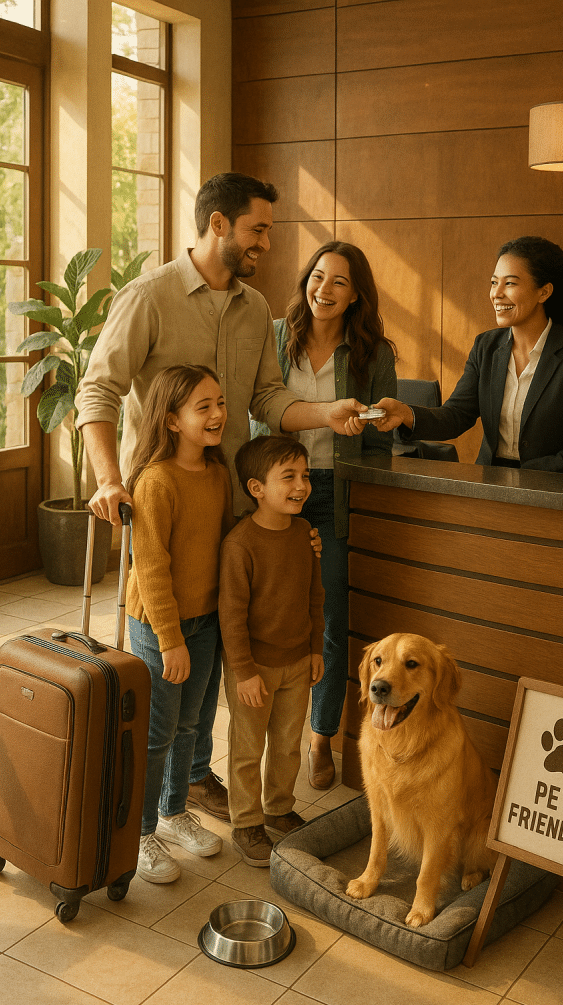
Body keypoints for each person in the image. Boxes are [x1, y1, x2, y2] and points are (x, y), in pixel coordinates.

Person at [76, 172, 366, 822]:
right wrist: (108, 479)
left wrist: (327, 414)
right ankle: (144, 812)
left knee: (210, 651)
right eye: (257, 229)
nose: (266, 242)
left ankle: (189, 780)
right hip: (165, 509)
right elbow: (97, 389)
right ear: (217, 225)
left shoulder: (254, 307)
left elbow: (267, 398)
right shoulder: (148, 296)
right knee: (165, 652)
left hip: (230, 505)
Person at [252, 241, 397, 789]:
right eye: (317, 276)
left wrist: (366, 433)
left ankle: (320, 738)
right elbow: (256, 408)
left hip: (334, 492)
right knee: (269, 611)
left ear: (356, 294)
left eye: (339, 281)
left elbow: (380, 442)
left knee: (332, 617)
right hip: (274, 490)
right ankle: (268, 736)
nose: (324, 289)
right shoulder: (273, 336)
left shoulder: (374, 354)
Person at [360, 236, 563, 476]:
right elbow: (456, 415)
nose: (496, 293)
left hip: (556, 487)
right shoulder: (486, 347)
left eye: (510, 283)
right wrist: (406, 414)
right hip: (492, 482)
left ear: (543, 292)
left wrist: (530, 476)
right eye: (494, 282)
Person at [126, 364, 235, 883]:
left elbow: (226, 543)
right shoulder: (156, 481)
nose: (217, 414)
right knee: (157, 734)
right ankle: (141, 831)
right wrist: (170, 641)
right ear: (172, 420)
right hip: (159, 627)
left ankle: (173, 813)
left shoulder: (218, 473)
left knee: (192, 725)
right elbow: (150, 569)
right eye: (203, 407)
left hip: (205, 621)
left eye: (220, 403)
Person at [219, 436, 325, 867]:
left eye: (305, 476)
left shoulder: (305, 534)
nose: (301, 485)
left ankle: (278, 809)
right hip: (254, 668)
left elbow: (315, 596)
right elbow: (231, 616)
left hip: (298, 662)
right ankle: (245, 822)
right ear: (256, 488)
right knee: (247, 748)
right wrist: (244, 672)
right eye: (289, 477)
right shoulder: (240, 544)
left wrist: (315, 649)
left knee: (287, 744)